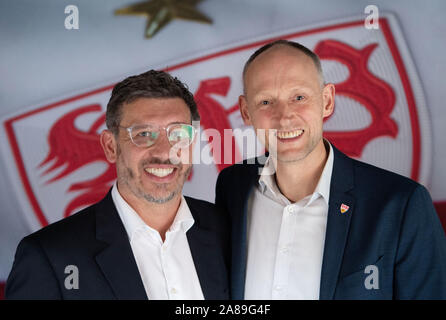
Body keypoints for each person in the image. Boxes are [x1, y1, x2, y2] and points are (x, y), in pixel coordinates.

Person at [215, 40, 446, 300]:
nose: (285, 117)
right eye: (266, 102)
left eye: (299, 97)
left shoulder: (401, 204)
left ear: (327, 101)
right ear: (246, 112)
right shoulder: (232, 186)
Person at [6, 70, 229, 300]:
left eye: (178, 133)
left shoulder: (229, 231)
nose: (164, 151)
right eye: (143, 134)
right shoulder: (50, 257)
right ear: (110, 146)